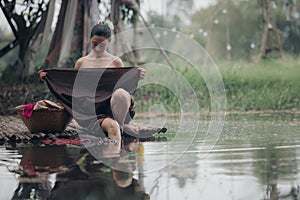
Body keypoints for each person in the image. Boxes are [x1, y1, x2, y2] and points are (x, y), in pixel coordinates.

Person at [39, 21, 146, 142]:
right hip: (92, 109)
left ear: (109, 43)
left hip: (114, 108)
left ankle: (120, 125)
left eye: (102, 44)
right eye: (95, 43)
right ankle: (113, 127)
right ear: (90, 40)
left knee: (121, 93)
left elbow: (124, 86)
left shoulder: (116, 62)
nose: (98, 47)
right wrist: (50, 77)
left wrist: (136, 75)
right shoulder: (82, 62)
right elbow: (72, 87)